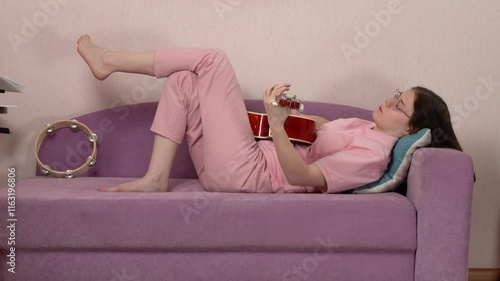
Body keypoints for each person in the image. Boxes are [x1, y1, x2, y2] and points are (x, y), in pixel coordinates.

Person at [76, 35, 463, 194]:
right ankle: (156, 177)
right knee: (184, 81)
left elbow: (302, 175)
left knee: (212, 60)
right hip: (234, 164)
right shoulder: (365, 126)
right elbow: (319, 131)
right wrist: (285, 114)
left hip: (252, 176)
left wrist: (276, 127)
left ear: (411, 127)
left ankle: (107, 61)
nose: (389, 100)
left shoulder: (373, 157)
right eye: (396, 94)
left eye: (400, 105)